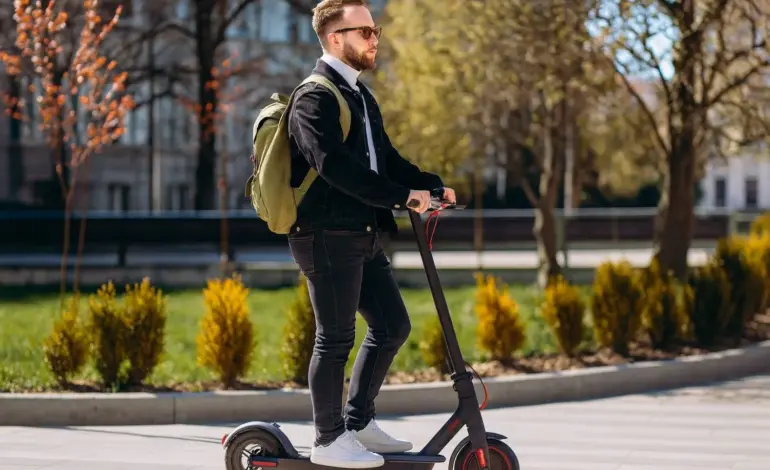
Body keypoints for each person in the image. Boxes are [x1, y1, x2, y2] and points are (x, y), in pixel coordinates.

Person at [285, 0, 456, 468]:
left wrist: (430, 185)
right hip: (324, 234)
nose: (374, 38)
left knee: (392, 325)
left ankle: (357, 423)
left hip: (360, 233)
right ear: (335, 38)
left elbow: (386, 160)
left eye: (375, 29)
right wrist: (403, 197)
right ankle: (328, 440)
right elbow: (336, 169)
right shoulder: (314, 97)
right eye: (363, 31)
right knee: (335, 338)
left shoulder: (360, 95)